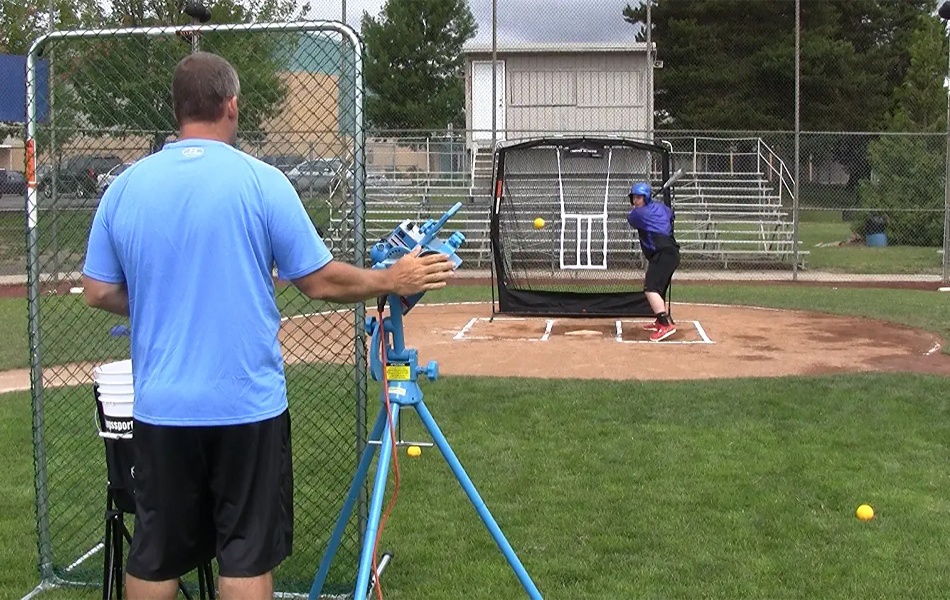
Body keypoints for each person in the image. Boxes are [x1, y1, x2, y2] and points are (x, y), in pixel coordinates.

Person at [81, 51, 455, 600]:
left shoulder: (125, 187)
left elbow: (97, 290)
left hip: (160, 406)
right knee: (246, 552)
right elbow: (320, 281)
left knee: (156, 552)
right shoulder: (262, 182)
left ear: (178, 109)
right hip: (246, 406)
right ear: (232, 104)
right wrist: (392, 279)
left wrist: (168, 301)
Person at [626, 181, 681, 342]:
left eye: (639, 198)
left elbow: (631, 219)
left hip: (662, 254)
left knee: (650, 288)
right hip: (671, 253)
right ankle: (660, 320)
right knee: (659, 288)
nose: (636, 201)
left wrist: (642, 211)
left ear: (646, 198)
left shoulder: (637, 214)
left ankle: (665, 324)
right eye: (634, 198)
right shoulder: (662, 208)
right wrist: (652, 208)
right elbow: (671, 215)